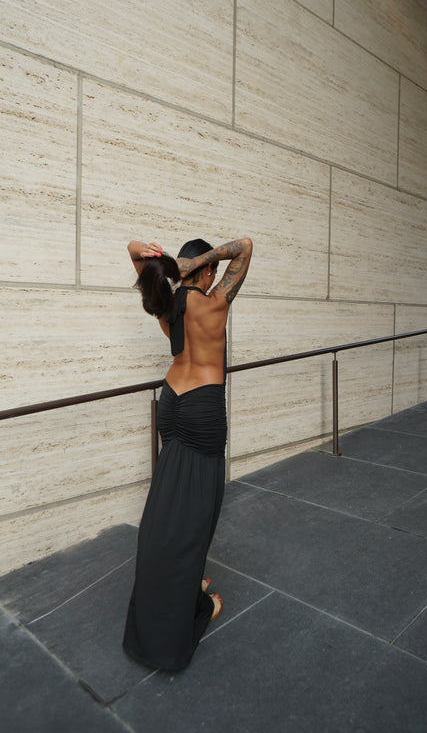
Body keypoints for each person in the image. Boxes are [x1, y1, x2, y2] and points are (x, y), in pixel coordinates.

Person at [123, 236, 253, 671]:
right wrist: (196, 263)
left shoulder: (168, 307)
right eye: (210, 268)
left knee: (167, 507)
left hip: (172, 402)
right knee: (196, 517)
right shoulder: (215, 304)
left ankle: (183, 583)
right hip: (201, 409)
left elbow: (133, 249)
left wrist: (165, 260)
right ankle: (188, 605)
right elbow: (245, 246)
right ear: (208, 270)